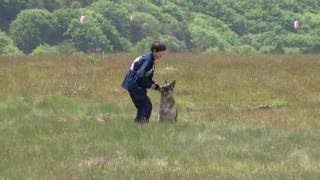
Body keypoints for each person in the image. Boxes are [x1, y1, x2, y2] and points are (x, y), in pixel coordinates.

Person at [121, 42, 167, 124]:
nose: (162, 55)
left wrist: (157, 87)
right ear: (155, 51)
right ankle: (141, 127)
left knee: (143, 106)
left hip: (133, 84)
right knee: (146, 106)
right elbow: (140, 75)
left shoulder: (148, 58)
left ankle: (137, 126)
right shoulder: (148, 60)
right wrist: (149, 85)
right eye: (161, 53)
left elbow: (145, 76)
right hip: (135, 85)